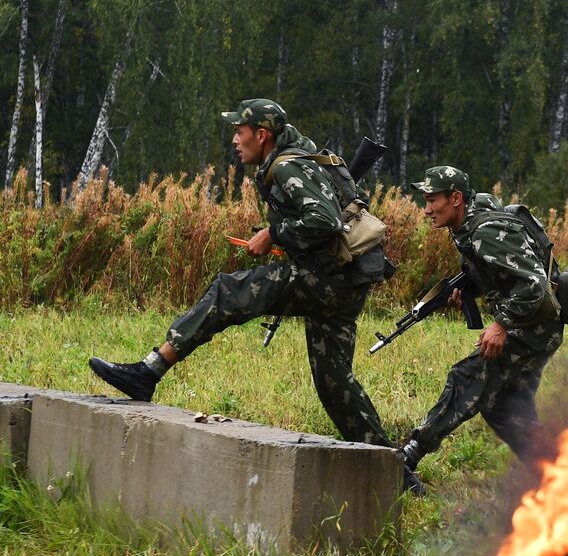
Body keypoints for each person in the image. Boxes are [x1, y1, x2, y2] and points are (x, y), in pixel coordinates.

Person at [87, 98, 424, 492]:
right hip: (346, 281)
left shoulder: (287, 167)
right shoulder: (296, 155)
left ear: (261, 135)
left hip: (327, 279)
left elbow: (325, 220)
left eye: (239, 131)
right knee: (335, 382)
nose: (234, 139)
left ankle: (148, 371)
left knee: (228, 292)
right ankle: (396, 473)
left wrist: (274, 234)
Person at [398, 166, 562, 482]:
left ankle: (410, 454)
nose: (427, 209)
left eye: (433, 200)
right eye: (426, 200)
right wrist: (470, 289)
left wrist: (501, 324)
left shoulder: (485, 232)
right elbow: (501, 274)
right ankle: (556, 476)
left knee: (466, 377)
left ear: (456, 198)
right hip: (536, 323)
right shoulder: (468, 224)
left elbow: (533, 283)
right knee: (504, 406)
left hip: (533, 326)